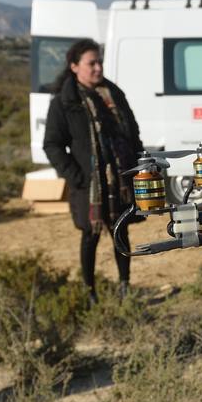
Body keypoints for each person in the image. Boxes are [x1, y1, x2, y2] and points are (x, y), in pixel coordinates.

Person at [42, 39, 143, 301]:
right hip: (90, 187)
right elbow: (52, 145)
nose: (98, 68)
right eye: (92, 63)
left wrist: (139, 164)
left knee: (121, 233)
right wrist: (78, 178)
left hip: (120, 180)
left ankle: (124, 287)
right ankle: (90, 293)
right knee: (90, 237)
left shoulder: (113, 94)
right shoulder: (65, 102)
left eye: (100, 62)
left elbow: (133, 133)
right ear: (74, 66)